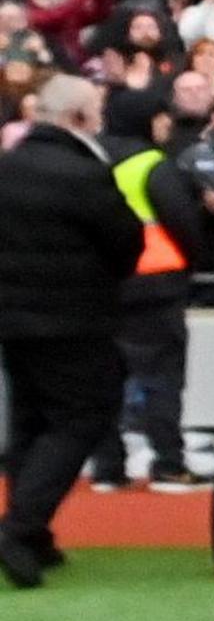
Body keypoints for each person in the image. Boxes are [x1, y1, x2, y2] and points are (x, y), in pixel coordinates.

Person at [0, 75, 146, 588]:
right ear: (79, 118)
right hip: (75, 318)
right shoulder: (86, 174)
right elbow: (127, 241)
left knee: (30, 423)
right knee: (81, 419)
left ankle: (33, 537)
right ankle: (19, 528)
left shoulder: (7, 167)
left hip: (13, 319)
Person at [96, 88, 214, 491]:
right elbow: (183, 224)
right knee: (163, 379)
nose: (167, 123)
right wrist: (192, 261)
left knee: (107, 379)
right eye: (161, 116)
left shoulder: (92, 157)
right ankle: (169, 464)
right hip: (155, 283)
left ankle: (108, 467)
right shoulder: (152, 165)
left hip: (103, 285)